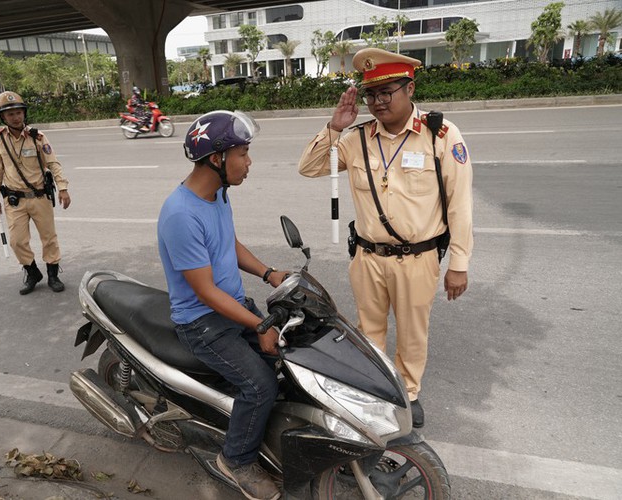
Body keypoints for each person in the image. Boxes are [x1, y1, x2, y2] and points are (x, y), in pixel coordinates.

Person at [297, 48, 473, 428]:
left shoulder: (439, 134)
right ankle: (375, 391)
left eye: (386, 92)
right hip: (367, 256)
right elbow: (309, 167)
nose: (376, 103)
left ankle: (408, 393)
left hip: (418, 257)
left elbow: (460, 203)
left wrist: (459, 263)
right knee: (368, 331)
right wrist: (335, 127)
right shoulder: (356, 138)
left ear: (410, 88)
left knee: (412, 332)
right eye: (370, 95)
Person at [157, 110, 286, 500]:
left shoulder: (216, 194)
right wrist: (259, 326)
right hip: (203, 322)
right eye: (243, 154)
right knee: (261, 386)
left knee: (286, 360)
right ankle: (236, 459)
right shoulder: (180, 213)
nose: (249, 163)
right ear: (217, 158)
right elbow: (205, 293)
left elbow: (227, 242)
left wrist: (268, 273)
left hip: (231, 306)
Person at [0, 91, 72, 295]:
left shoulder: (38, 137)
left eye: (18, 112)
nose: (15, 117)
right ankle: (32, 272)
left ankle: (53, 274)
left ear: (24, 113)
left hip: (39, 197)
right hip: (14, 200)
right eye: (10, 114)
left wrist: (63, 188)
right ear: (3, 117)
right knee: (17, 241)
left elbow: (52, 163)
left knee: (49, 237)